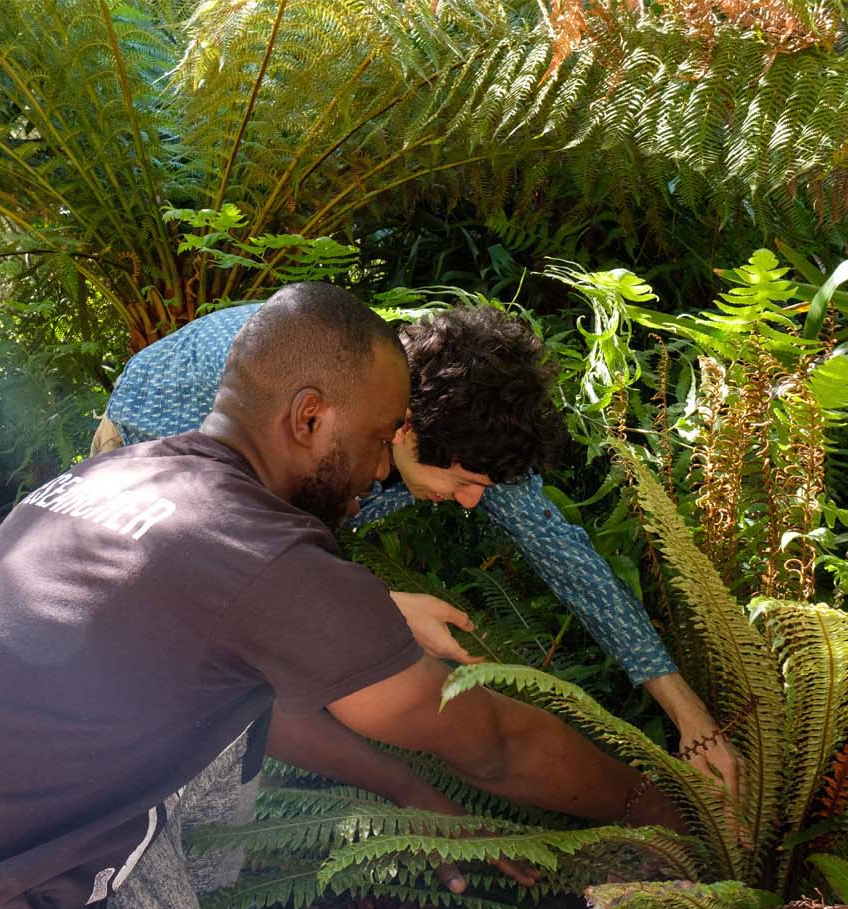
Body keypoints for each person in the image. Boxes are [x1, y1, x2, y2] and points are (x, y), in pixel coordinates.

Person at [0, 283, 678, 909]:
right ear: (311, 418)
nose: (377, 467)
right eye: (376, 437)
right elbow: (497, 743)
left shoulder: (108, 479)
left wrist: (409, 794)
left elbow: (242, 706)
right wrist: (661, 812)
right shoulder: (263, 557)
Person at [98, 301, 737, 789]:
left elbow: (569, 561)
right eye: (461, 483)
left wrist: (689, 716)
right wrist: (376, 605)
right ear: (401, 433)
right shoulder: (299, 416)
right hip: (155, 440)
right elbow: (225, 558)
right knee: (198, 675)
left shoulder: (459, 422)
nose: (469, 501)